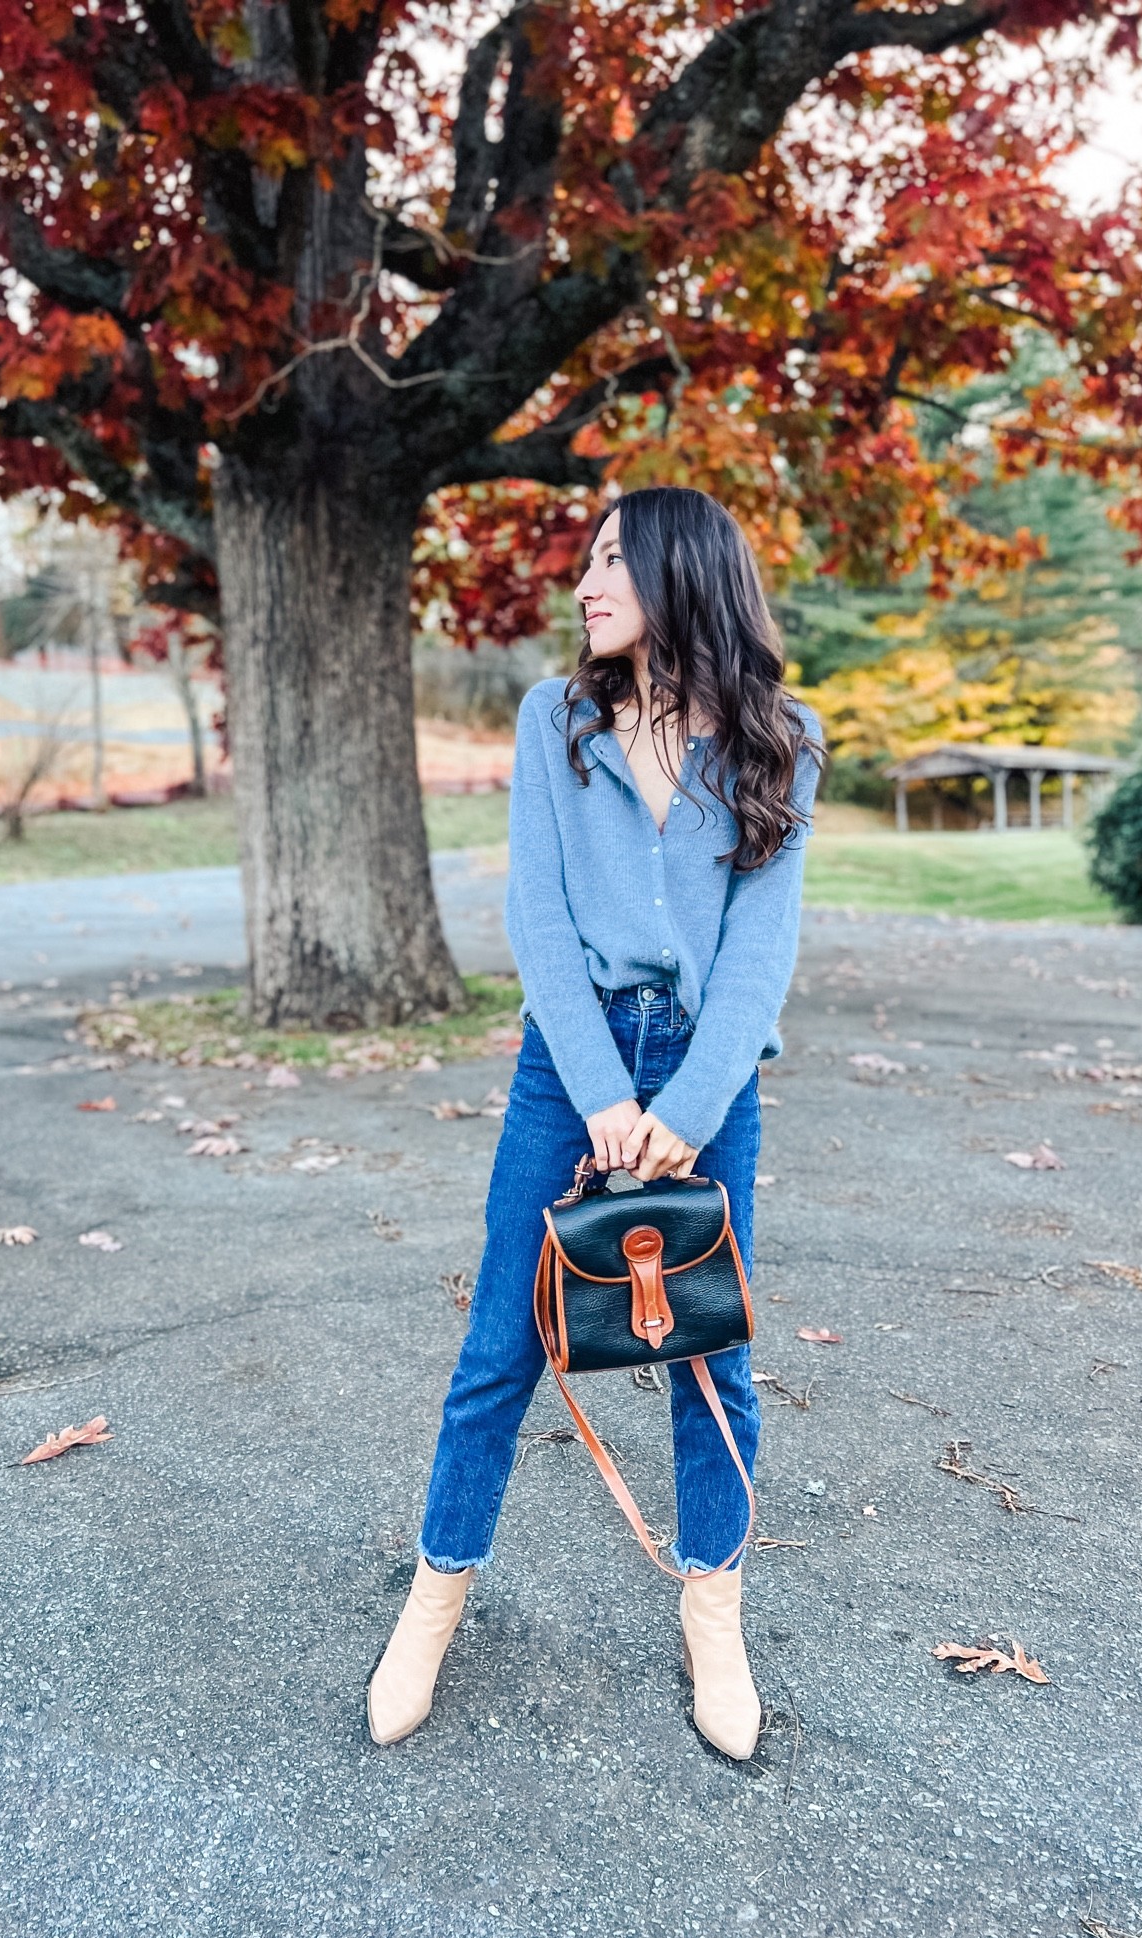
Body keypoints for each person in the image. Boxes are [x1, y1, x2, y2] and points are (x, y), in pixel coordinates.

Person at [367, 486, 822, 1757]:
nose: (586, 582)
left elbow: (757, 953)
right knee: (500, 1350)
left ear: (684, 571)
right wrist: (606, 1097)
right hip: (567, 1068)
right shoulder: (554, 719)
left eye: (612, 558)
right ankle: (435, 1598)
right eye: (587, 562)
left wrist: (682, 1108)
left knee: (708, 1359)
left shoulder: (784, 737)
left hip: (707, 1089)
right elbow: (540, 922)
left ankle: (712, 1613)